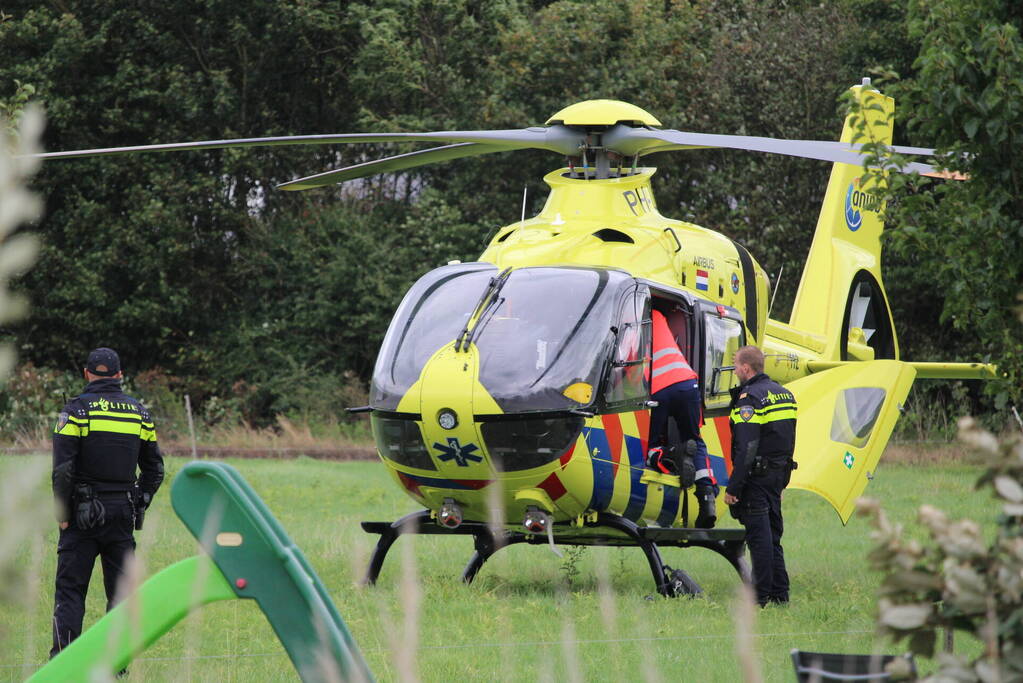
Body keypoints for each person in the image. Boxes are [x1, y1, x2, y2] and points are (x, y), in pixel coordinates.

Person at [50, 348, 164, 657]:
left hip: (81, 514)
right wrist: (138, 502)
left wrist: (63, 512)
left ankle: (64, 662)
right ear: (119, 376)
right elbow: (155, 469)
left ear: (87, 374)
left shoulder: (76, 410)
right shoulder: (140, 413)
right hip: (122, 513)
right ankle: (118, 663)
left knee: (71, 591)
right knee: (121, 594)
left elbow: (63, 470)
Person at [723, 345, 797, 606]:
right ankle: (780, 593)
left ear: (746, 368)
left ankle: (759, 596)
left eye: (735, 366)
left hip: (756, 477)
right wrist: (783, 476)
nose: (734, 371)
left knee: (759, 537)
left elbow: (747, 447)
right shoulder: (784, 394)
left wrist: (733, 487)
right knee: (773, 535)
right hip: (777, 474)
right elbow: (789, 440)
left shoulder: (749, 398)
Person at [645, 308, 718, 528]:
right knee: (695, 439)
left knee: (653, 446)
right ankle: (707, 498)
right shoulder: (658, 314)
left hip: (658, 388)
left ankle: (671, 454)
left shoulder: (628, 315)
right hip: (687, 382)